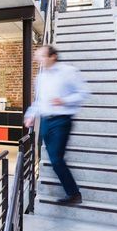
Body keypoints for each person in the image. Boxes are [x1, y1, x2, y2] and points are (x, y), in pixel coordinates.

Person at [24, 45, 89, 204]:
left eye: (42, 57)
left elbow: (84, 92)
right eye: (37, 57)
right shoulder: (40, 78)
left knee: (56, 158)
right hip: (45, 121)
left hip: (61, 120)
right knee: (54, 158)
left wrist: (64, 100)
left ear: (53, 56)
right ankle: (73, 193)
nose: (39, 60)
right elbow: (39, 101)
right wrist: (30, 115)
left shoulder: (68, 72)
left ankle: (74, 194)